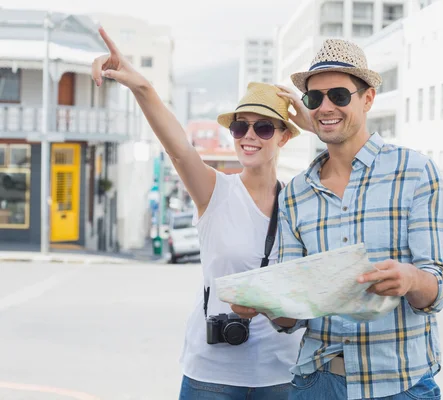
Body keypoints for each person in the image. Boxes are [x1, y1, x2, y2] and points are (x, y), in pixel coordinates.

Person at [232, 39, 443, 400]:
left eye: (339, 95)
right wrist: (263, 305)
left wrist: (410, 278)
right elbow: (293, 315)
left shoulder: (415, 173)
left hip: (401, 385)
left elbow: (437, 291)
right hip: (317, 383)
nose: (325, 107)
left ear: (367, 99)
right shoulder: (296, 193)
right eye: (314, 99)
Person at [92, 28, 305, 400]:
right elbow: (178, 148)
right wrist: (140, 86)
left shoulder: (301, 204)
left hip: (282, 375)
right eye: (241, 126)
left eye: (264, 126)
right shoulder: (215, 191)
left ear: (285, 137)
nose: (249, 136)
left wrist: (269, 307)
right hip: (213, 375)